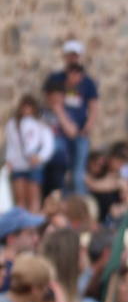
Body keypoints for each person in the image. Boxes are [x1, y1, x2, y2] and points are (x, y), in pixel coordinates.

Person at [43, 40, 99, 194]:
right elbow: (51, 101)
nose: (73, 58)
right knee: (61, 169)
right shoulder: (56, 79)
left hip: (79, 132)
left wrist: (87, 127)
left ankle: (80, 204)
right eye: (70, 55)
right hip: (59, 132)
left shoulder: (88, 82)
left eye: (76, 55)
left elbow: (93, 106)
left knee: (78, 173)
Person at [5, 95, 55, 213]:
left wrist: (40, 157)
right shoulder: (13, 124)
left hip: (33, 164)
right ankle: (22, 226)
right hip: (18, 164)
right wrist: (9, 160)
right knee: (20, 198)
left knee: (34, 198)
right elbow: (10, 145)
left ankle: (33, 226)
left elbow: (48, 144)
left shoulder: (40, 124)